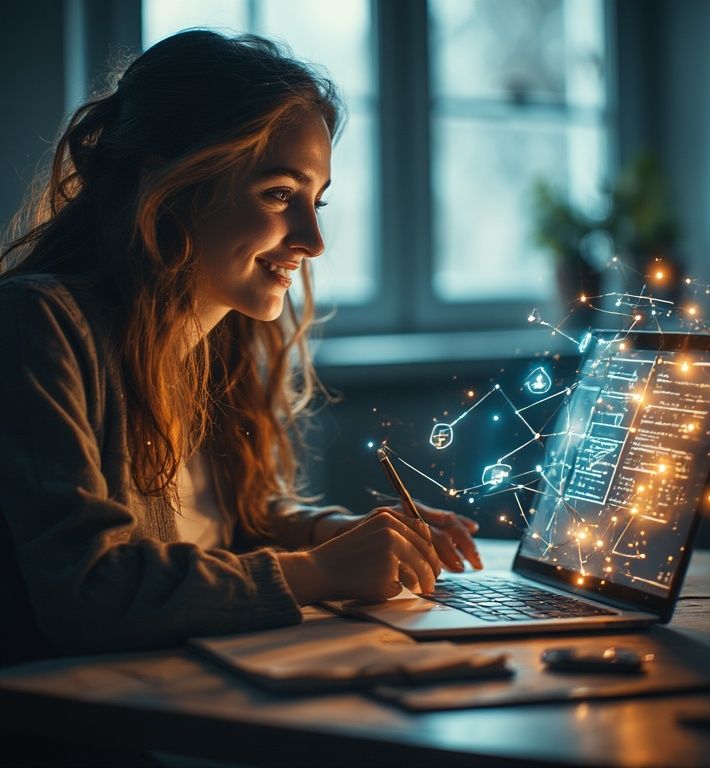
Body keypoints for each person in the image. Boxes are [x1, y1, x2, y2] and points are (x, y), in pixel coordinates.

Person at [0, 30, 482, 666]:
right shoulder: (38, 324)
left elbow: (229, 520)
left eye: (316, 201)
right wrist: (317, 571)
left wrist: (333, 533)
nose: (313, 240)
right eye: (280, 194)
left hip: (178, 690)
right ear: (165, 184)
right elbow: (92, 590)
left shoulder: (220, 337)